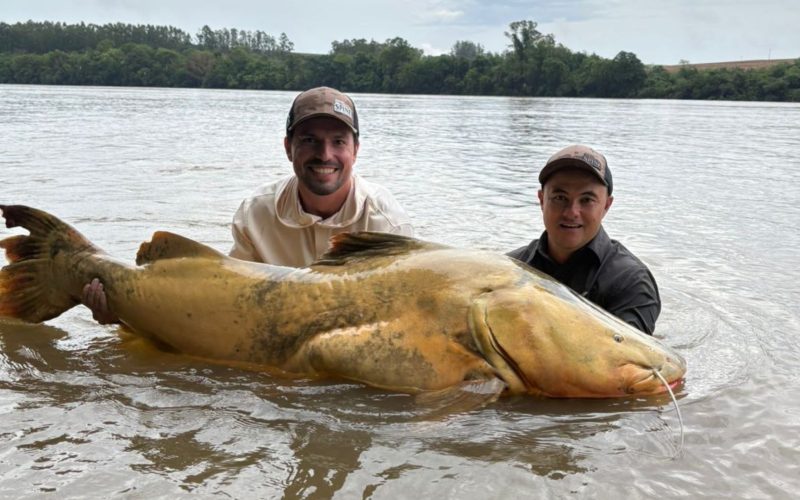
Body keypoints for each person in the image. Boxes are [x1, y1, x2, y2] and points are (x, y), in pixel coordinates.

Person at [83, 86, 413, 323]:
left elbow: (398, 317)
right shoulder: (256, 211)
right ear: (288, 148)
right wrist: (125, 314)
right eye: (309, 140)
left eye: (338, 142)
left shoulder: (387, 224)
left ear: (355, 150)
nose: (324, 155)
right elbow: (225, 305)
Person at [507, 144, 661, 334]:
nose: (572, 212)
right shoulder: (510, 268)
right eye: (559, 197)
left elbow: (632, 359)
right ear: (541, 200)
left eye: (586, 200)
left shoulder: (631, 282)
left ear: (606, 205)